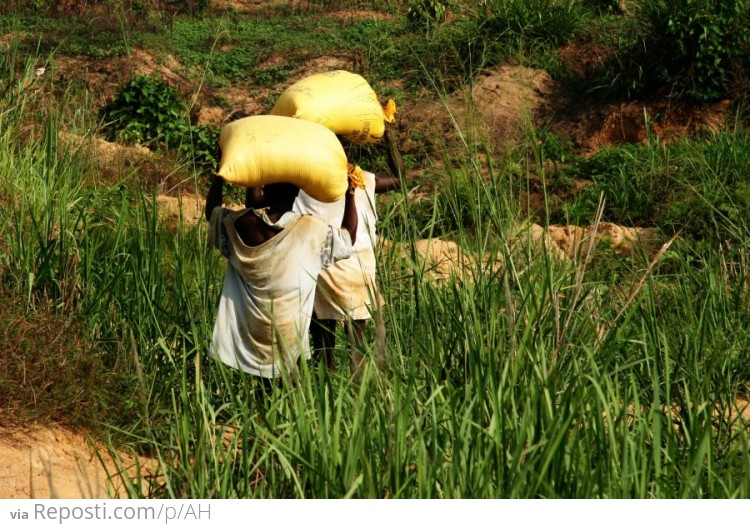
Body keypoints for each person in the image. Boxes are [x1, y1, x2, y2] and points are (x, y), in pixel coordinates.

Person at [205, 174, 359, 390]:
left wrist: (219, 176)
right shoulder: (311, 230)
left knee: (260, 391)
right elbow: (348, 238)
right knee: (290, 394)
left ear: (264, 192)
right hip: (290, 331)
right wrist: (351, 192)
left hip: (251, 330)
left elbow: (212, 213)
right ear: (297, 194)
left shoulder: (241, 224)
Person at [292, 126, 405, 372]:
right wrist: (389, 137)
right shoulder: (359, 178)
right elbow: (400, 179)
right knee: (358, 344)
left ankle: (327, 395)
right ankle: (358, 395)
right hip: (358, 266)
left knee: (323, 345)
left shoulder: (303, 180)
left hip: (321, 263)